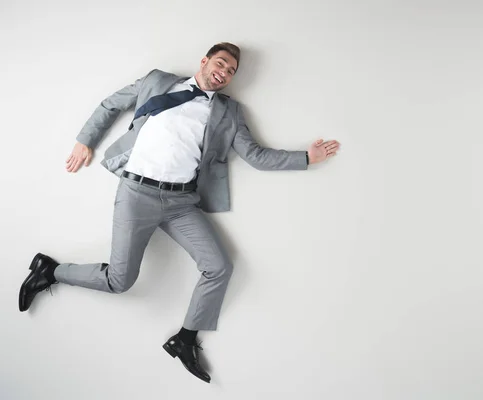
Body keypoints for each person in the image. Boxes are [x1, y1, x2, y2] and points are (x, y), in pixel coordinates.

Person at [18, 42, 340, 382]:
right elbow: (111, 104)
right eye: (221, 63)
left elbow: (256, 156)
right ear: (204, 61)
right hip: (137, 193)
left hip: (181, 204)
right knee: (119, 281)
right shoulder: (158, 82)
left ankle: (184, 339)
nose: (224, 73)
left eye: (231, 71)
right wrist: (86, 139)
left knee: (219, 267)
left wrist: (306, 158)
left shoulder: (229, 112)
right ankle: (51, 272)